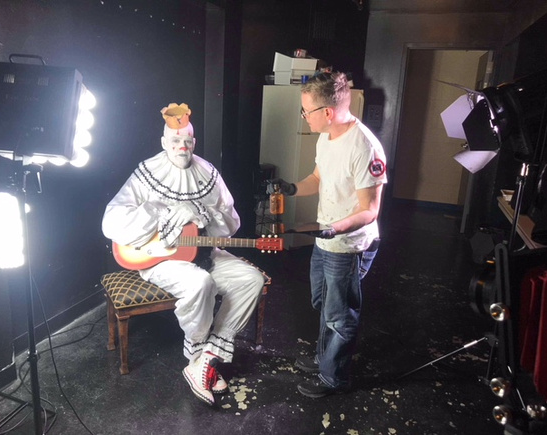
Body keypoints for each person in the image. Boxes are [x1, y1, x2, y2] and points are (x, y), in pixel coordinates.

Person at [102, 103, 265, 406]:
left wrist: (200, 211)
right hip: (160, 258)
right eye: (175, 141)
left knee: (251, 279)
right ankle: (199, 351)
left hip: (203, 252)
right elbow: (111, 220)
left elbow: (230, 222)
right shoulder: (147, 172)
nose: (181, 146)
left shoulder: (209, 173)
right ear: (164, 143)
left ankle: (204, 360)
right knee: (199, 284)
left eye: (187, 141)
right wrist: (160, 210)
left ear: (194, 142)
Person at [267, 72, 388, 398]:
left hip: (347, 244)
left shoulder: (365, 148)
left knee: (340, 315)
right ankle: (324, 357)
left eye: (306, 111)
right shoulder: (326, 137)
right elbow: (319, 177)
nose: (304, 117)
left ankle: (334, 378)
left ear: (328, 112)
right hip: (326, 239)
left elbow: (369, 210)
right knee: (322, 301)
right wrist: (291, 188)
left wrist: (334, 228)